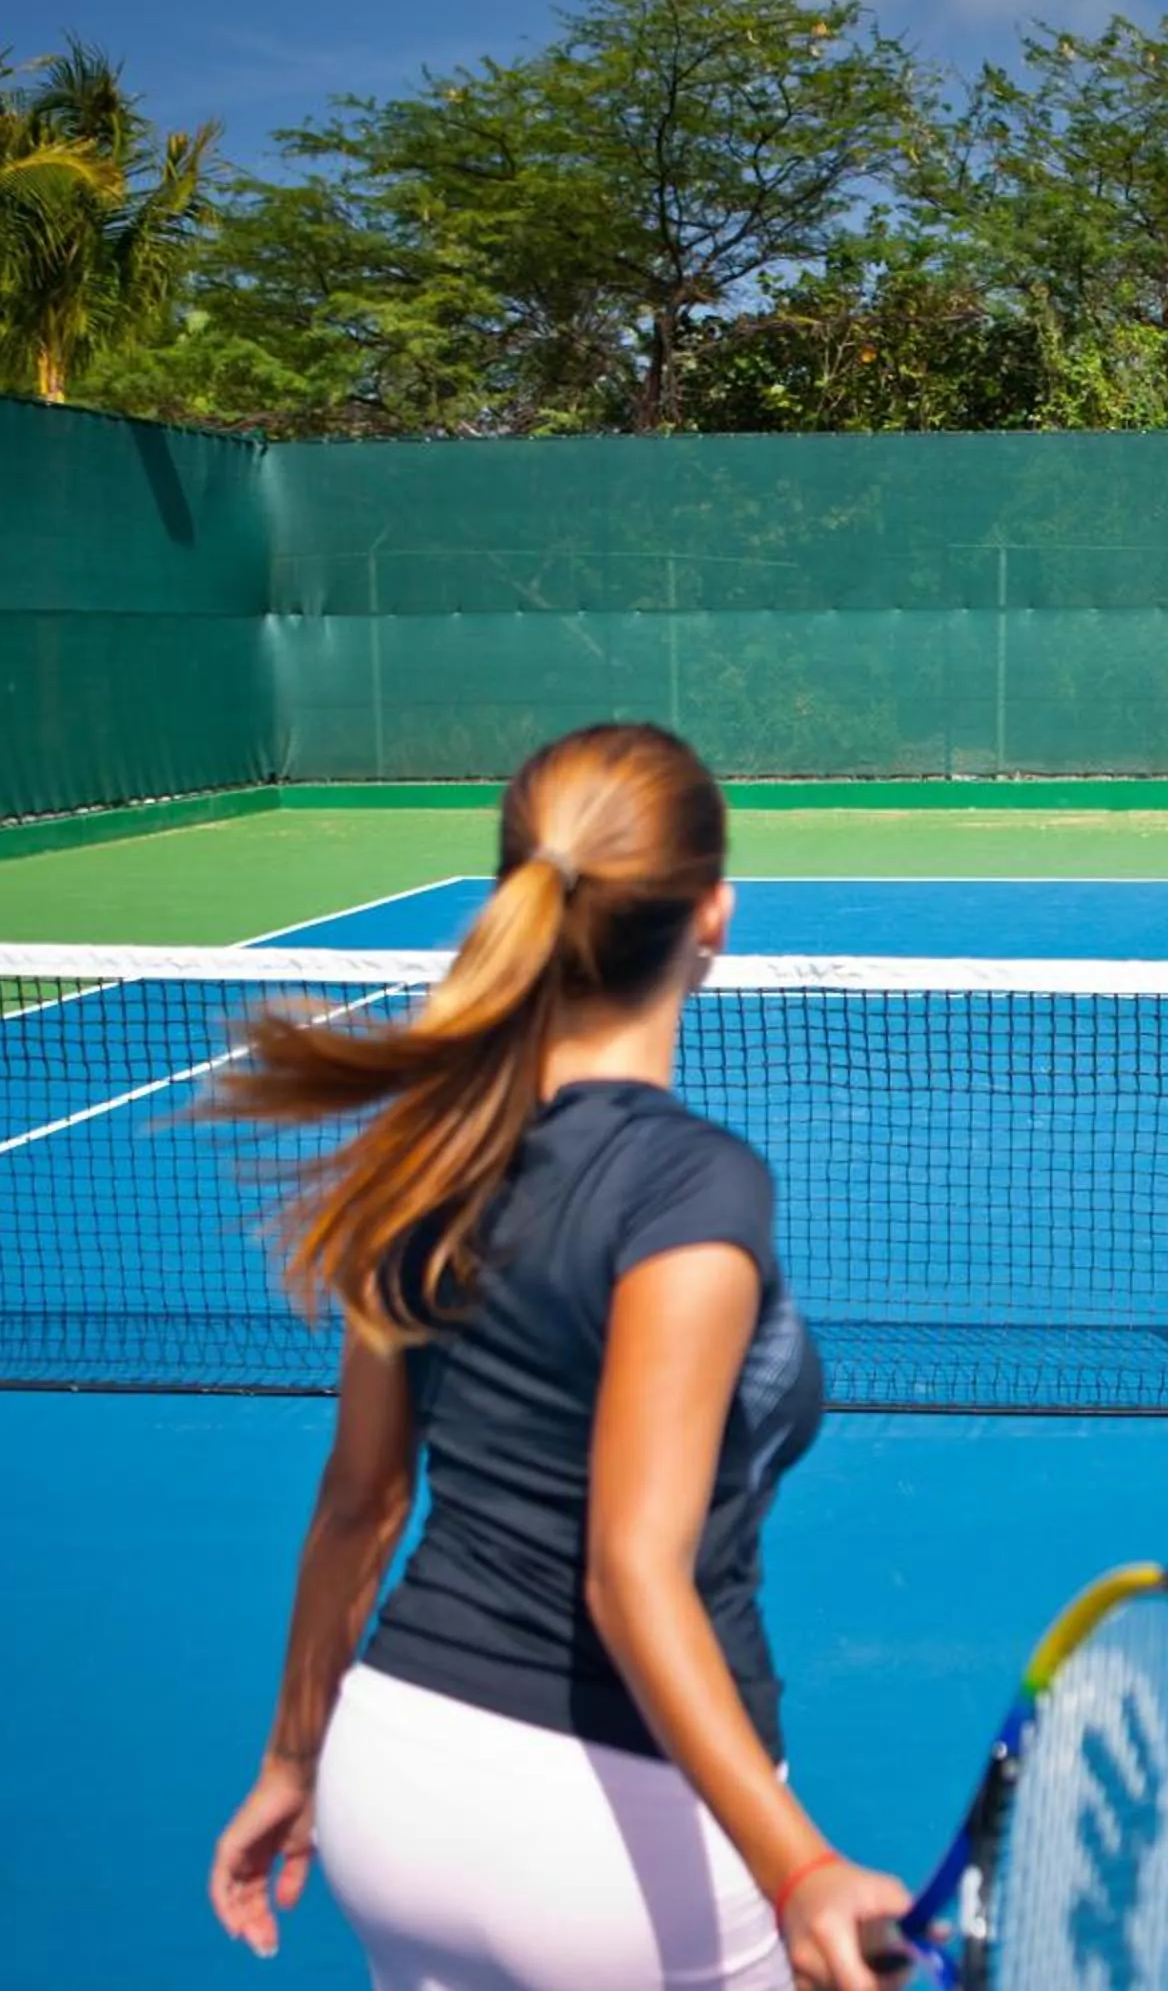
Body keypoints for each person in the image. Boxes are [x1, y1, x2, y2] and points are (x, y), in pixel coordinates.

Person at [203, 722, 910, 1991]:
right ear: (714, 915)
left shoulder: (420, 1157)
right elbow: (631, 1576)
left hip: (397, 1784)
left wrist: (293, 1760)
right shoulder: (693, 1187)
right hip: (616, 1840)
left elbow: (361, 1504)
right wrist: (799, 1868)